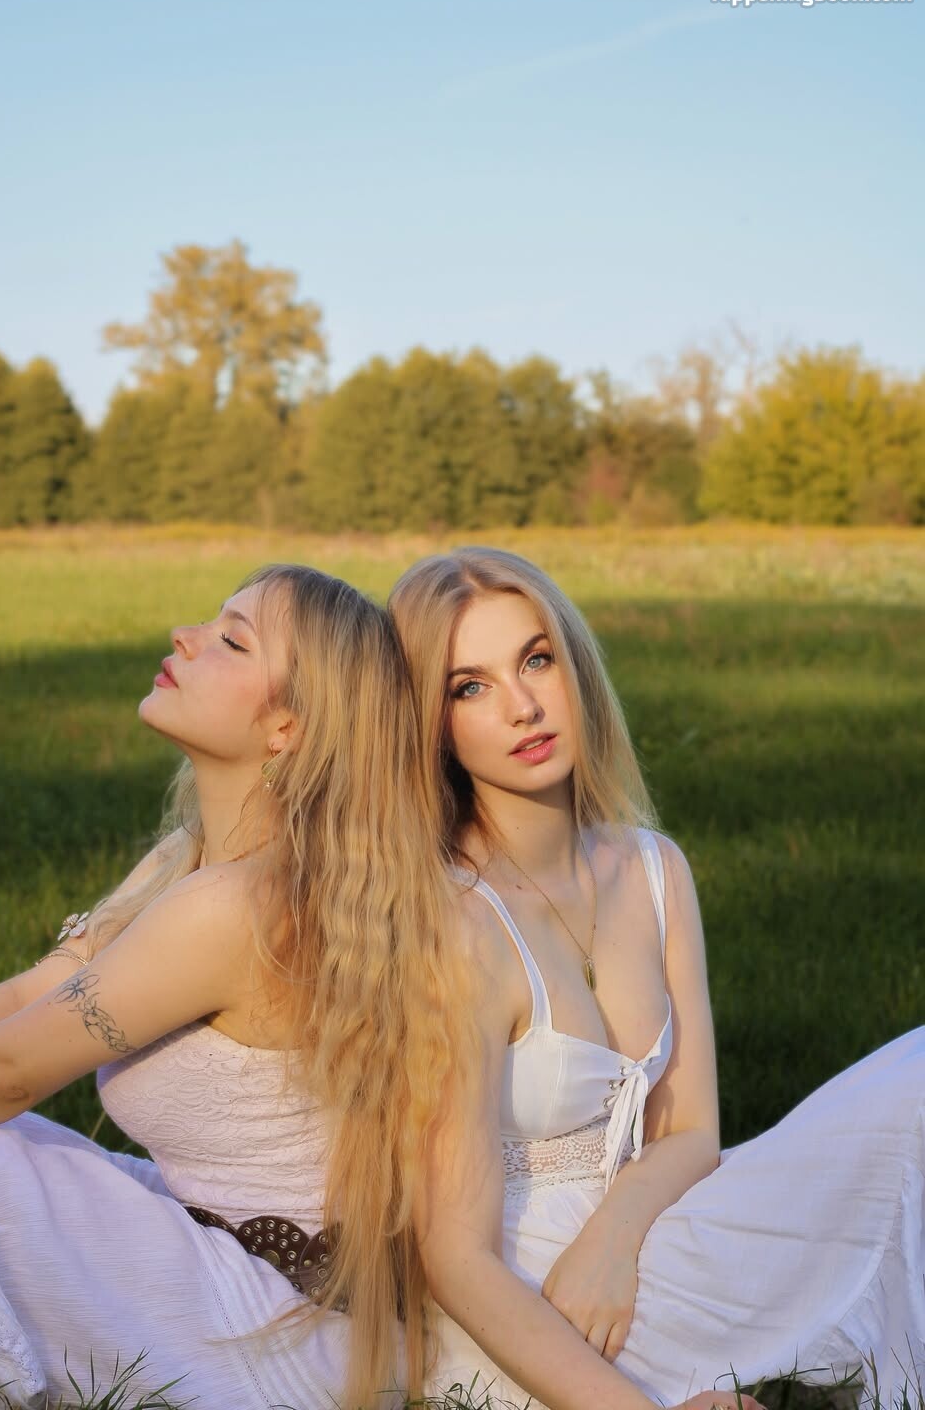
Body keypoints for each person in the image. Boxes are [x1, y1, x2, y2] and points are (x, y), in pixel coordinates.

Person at [0, 564, 477, 1410]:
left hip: (293, 1330)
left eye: (231, 640)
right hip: (220, 1263)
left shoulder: (241, 906)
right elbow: (22, 1002)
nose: (186, 636)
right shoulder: (190, 861)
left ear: (287, 726)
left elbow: (8, 1069)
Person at [390, 546, 924, 1410]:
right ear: (431, 723)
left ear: (575, 666)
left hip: (644, 1235)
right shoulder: (455, 921)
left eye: (536, 660)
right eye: (470, 687)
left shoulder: (653, 868)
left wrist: (618, 1231)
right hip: (533, 1299)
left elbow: (692, 1130)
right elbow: (451, 1256)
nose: (523, 706)